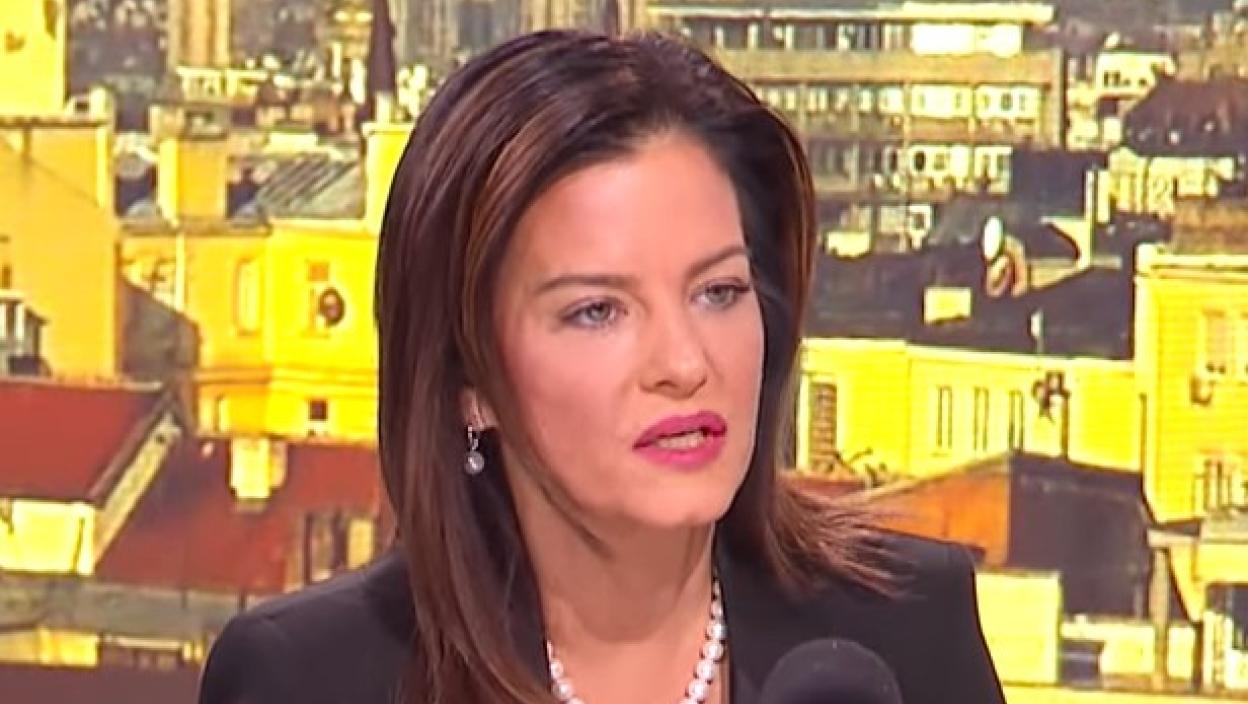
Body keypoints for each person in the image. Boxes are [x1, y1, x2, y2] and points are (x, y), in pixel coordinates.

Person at [198, 30, 1005, 704]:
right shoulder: (310, 679)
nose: (684, 362)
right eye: (597, 311)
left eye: (719, 292)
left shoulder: (905, 631)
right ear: (468, 382)